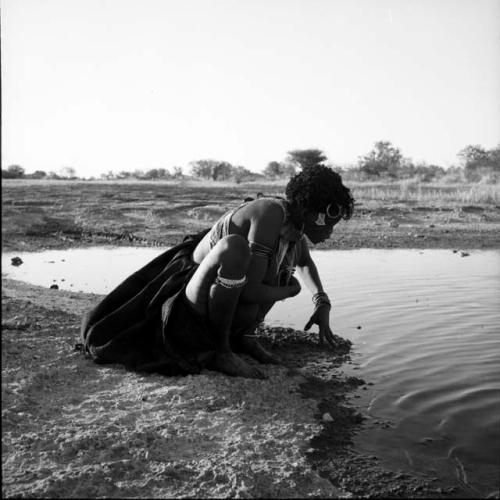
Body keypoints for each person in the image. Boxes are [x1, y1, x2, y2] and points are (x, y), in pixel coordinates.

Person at [81, 165, 354, 379]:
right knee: (236, 249)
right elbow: (249, 291)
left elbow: (305, 263)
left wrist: (321, 300)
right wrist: (291, 290)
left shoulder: (293, 228)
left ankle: (244, 337)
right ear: (310, 211)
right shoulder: (270, 212)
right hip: (186, 297)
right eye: (329, 223)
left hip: (216, 297)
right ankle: (221, 351)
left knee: (282, 265)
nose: (330, 231)